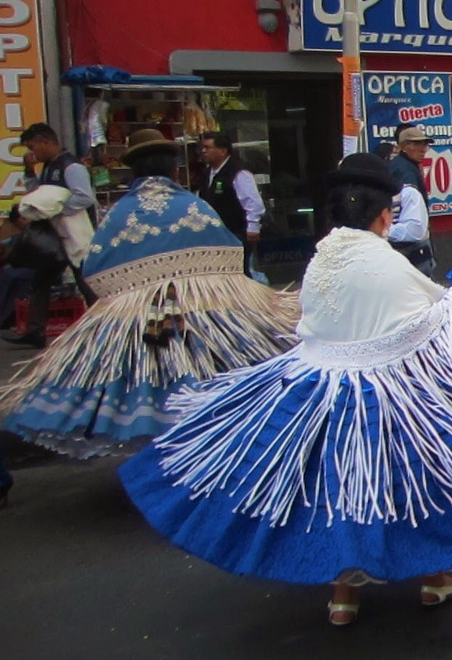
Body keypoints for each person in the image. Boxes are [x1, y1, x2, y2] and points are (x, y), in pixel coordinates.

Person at [118, 153, 452, 626]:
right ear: (385, 215)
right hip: (389, 392)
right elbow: (432, 320)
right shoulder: (382, 261)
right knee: (417, 483)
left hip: (314, 388)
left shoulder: (323, 258)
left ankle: (344, 594)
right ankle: (434, 574)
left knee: (334, 488)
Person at [0, 129, 298, 458]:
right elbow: (229, 251)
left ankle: (160, 447)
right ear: (173, 169)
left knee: (151, 377)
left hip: (139, 318)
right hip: (206, 311)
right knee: (210, 372)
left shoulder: (120, 214)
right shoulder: (193, 205)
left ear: (134, 172)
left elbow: (94, 268)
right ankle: (213, 441)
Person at [4, 123, 96, 347]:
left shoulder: (71, 166)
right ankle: (35, 332)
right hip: (53, 235)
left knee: (85, 282)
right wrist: (29, 172)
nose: (31, 152)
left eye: (33, 146)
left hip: (73, 233)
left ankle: (105, 326)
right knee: (41, 280)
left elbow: (84, 198)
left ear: (46, 142)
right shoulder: (48, 166)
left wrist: (56, 212)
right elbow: (38, 194)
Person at [196, 131, 264, 270]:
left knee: (239, 271)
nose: (203, 151)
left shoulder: (238, 172)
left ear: (222, 151)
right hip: (214, 235)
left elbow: (253, 202)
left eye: (208, 147)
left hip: (236, 232)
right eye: (202, 147)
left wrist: (252, 227)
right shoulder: (207, 173)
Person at [388, 124, 429, 193]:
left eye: (424, 145)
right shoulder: (405, 169)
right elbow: (412, 200)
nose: (422, 150)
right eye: (416, 144)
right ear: (403, 147)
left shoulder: (404, 163)